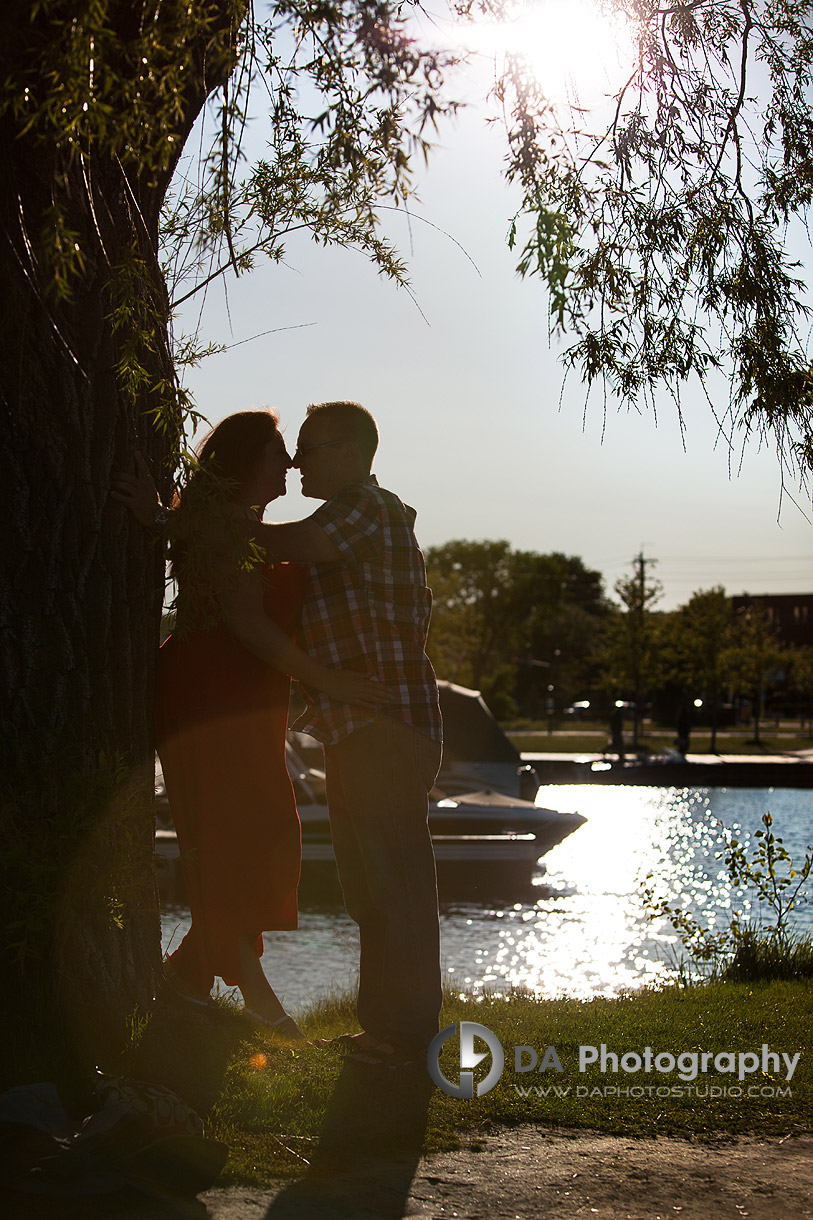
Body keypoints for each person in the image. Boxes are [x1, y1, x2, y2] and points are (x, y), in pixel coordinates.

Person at [116, 401, 443, 1069]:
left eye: (309, 449)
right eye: (283, 451)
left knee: (377, 880)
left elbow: (287, 549)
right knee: (358, 883)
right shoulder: (327, 522)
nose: (295, 461)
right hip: (298, 714)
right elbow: (250, 604)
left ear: (350, 454)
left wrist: (173, 519)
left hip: (373, 719)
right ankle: (372, 1026)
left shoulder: (359, 513)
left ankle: (397, 1032)